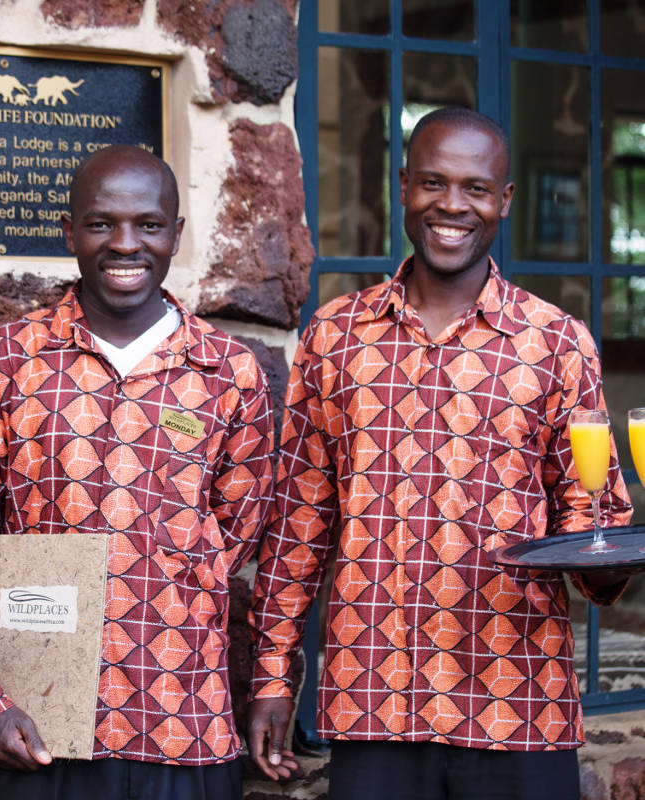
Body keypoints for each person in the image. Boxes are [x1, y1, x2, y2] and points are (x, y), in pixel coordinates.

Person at [247, 107, 635, 800]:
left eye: (476, 188)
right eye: (432, 182)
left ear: (505, 200)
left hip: (518, 706)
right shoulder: (336, 337)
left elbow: (590, 514)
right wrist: (274, 672)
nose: (452, 205)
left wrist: (610, 564)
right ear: (402, 186)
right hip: (375, 703)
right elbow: (298, 523)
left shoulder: (557, 342)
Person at [0, 144, 275, 800]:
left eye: (148, 225)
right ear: (69, 231)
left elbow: (235, 536)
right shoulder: (3, 363)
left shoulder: (230, 372)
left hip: (183, 724)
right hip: (38, 726)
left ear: (176, 234)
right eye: (101, 224)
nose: (126, 244)